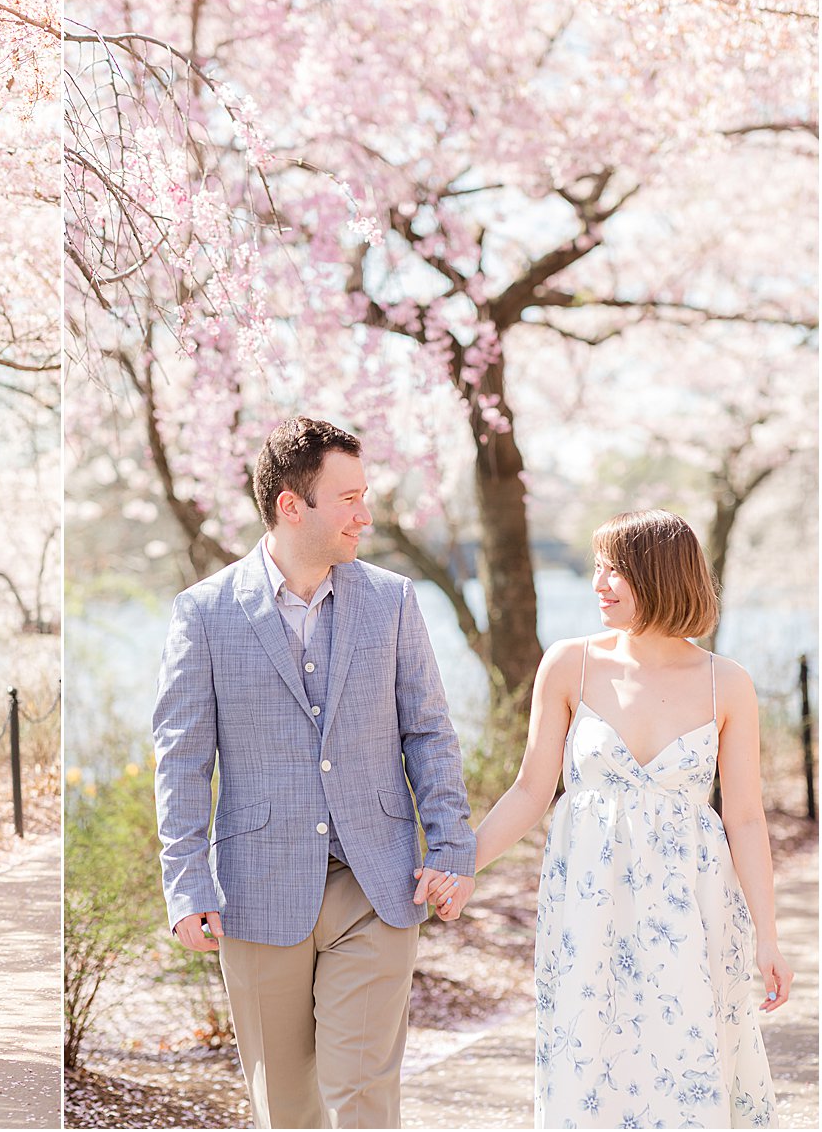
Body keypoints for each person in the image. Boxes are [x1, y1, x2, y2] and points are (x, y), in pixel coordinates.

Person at [152, 417, 476, 1129]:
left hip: (377, 883)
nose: (365, 513)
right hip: (257, 890)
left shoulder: (392, 601)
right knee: (288, 1111)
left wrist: (451, 849)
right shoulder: (204, 613)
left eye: (366, 495)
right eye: (349, 497)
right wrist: (186, 880)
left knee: (361, 1096)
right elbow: (181, 757)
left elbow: (427, 731)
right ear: (291, 505)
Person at [447, 509, 790, 1128]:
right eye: (598, 567)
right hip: (588, 900)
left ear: (661, 577)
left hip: (692, 904)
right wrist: (458, 864)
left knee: (687, 1060)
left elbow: (744, 818)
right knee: (589, 1061)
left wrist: (767, 937)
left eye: (617, 571)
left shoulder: (727, 683)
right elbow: (530, 790)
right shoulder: (570, 663)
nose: (599, 584)